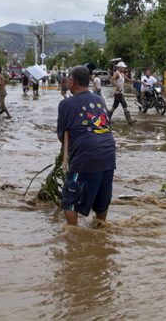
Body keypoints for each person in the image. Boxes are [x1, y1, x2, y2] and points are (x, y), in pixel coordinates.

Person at [57, 65, 116, 226]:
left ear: (72, 81)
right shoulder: (99, 99)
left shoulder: (66, 104)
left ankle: (73, 235)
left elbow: (62, 135)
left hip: (86, 155)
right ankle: (100, 229)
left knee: (70, 199)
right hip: (108, 152)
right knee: (102, 199)